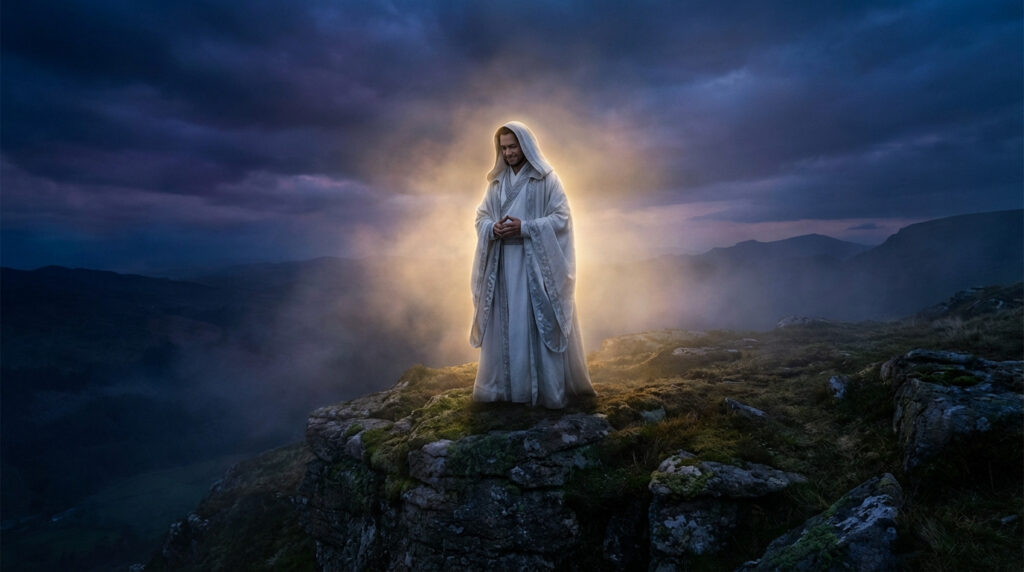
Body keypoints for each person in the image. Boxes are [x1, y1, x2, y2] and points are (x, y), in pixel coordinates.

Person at [469, 121, 595, 408]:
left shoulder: (547, 179)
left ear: (525, 146)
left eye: (513, 147)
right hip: (502, 265)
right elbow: (481, 216)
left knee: (533, 322)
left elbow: (561, 218)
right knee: (507, 325)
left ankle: (539, 390)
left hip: (534, 265)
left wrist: (525, 227)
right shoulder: (497, 182)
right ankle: (502, 390)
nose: (508, 153)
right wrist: (492, 228)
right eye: (503, 148)